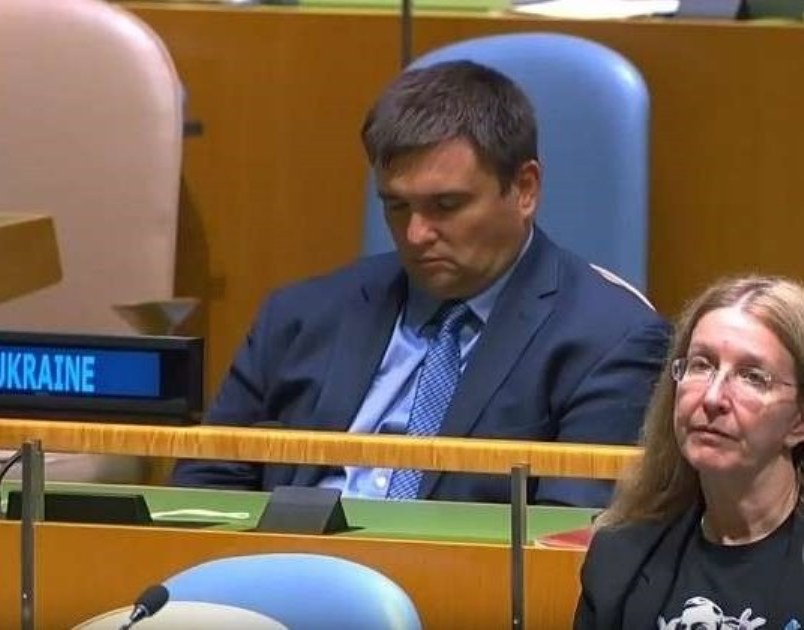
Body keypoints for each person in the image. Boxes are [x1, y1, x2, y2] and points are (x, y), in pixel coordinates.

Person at [171, 60, 669, 507]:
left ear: (524, 189)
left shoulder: (610, 342)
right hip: (283, 570)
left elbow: (565, 536)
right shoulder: (301, 315)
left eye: (446, 206)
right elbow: (204, 487)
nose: (415, 234)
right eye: (397, 206)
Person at [575, 275, 804, 628]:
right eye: (701, 365)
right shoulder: (620, 559)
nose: (712, 398)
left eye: (752, 376)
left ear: (798, 421)